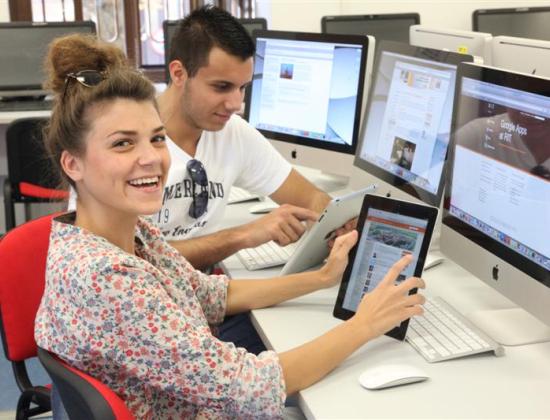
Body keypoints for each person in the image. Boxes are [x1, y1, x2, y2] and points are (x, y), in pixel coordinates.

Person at [34, 34, 425, 419]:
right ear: (73, 164)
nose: (151, 158)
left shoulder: (130, 232)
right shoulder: (108, 280)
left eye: (157, 139)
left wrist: (321, 279)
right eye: (123, 144)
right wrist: (364, 325)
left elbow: (209, 294)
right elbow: (250, 385)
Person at [157, 6, 336, 270]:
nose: (235, 103)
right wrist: (243, 235)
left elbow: (311, 199)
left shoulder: (233, 131)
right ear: (179, 73)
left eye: (242, 87)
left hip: (201, 287)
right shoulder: (129, 145)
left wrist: (338, 224)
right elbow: (133, 259)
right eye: (221, 87)